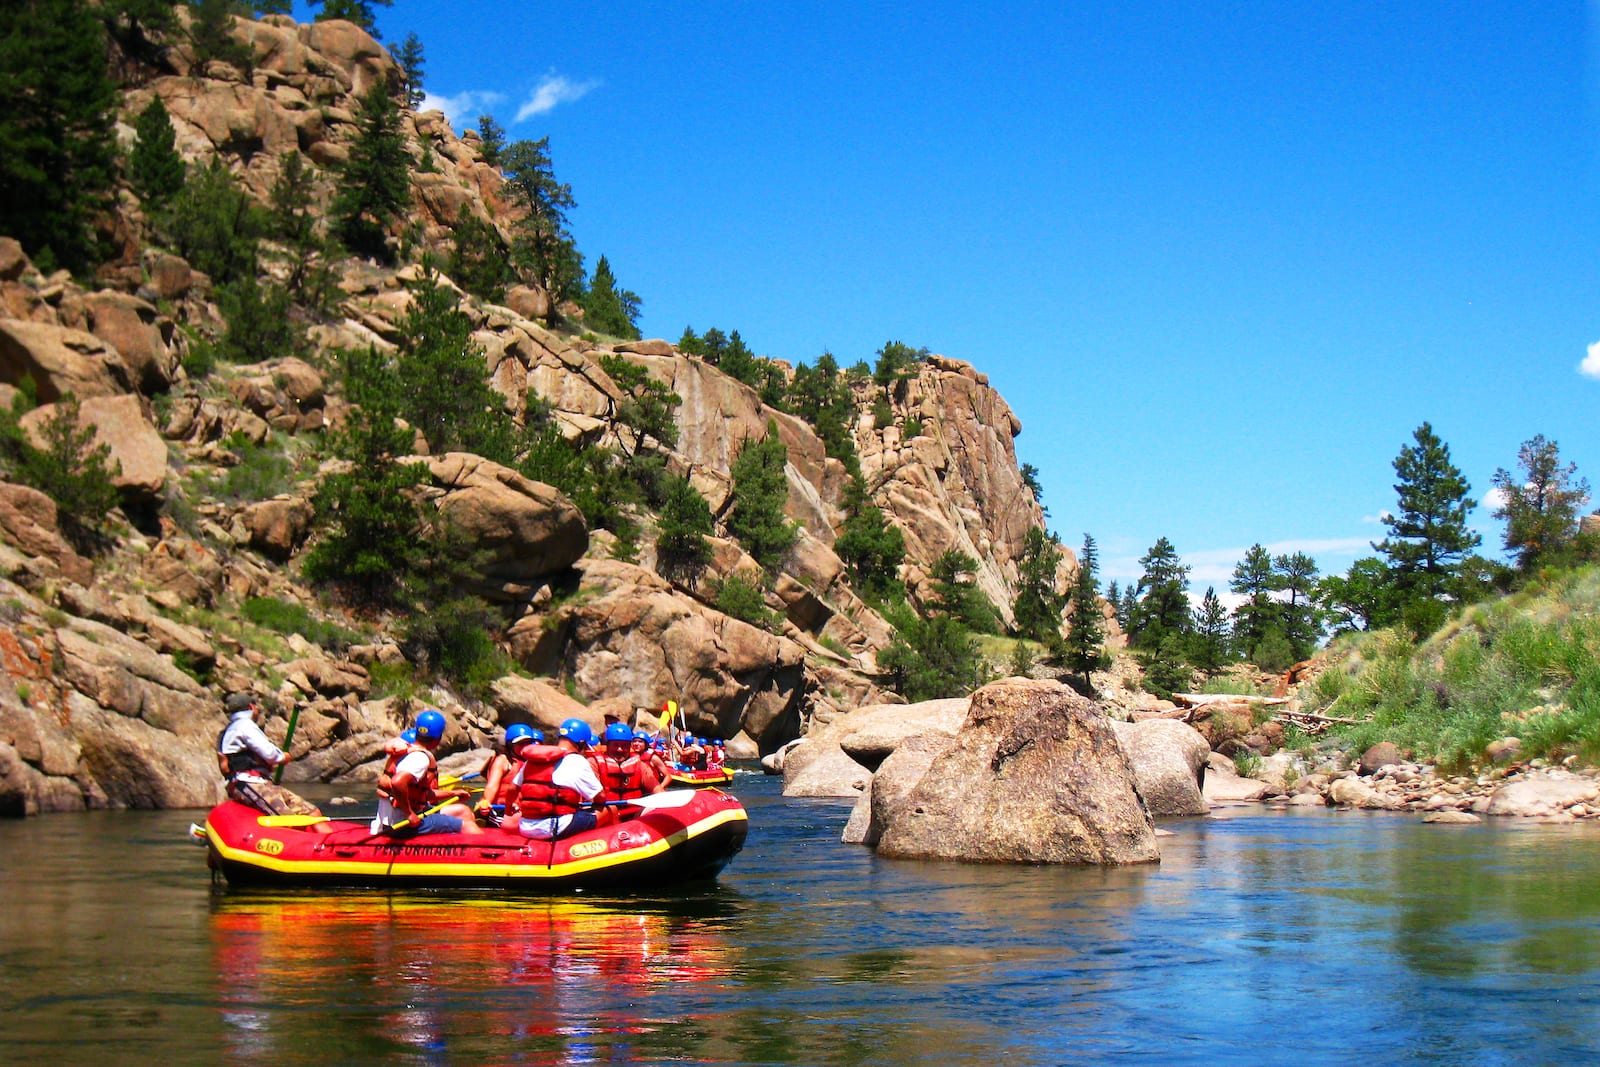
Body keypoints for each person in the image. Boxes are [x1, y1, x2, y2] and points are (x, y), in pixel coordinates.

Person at [216, 691, 332, 832]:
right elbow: (270, 754)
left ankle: (333, 847)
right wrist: (283, 757)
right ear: (252, 707)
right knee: (289, 820)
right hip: (247, 783)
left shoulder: (228, 731)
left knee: (313, 813)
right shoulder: (244, 726)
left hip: (263, 783)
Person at [371, 709, 484, 837]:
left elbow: (420, 793)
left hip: (396, 821)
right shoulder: (420, 758)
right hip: (402, 825)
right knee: (466, 825)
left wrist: (453, 793)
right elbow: (398, 782)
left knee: (463, 811)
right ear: (438, 738)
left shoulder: (407, 752)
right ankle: (487, 854)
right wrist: (409, 814)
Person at [513, 718, 612, 841]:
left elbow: (513, 789)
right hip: (556, 828)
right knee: (610, 810)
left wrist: (507, 812)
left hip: (526, 827)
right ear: (581, 743)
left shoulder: (533, 759)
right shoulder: (577, 761)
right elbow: (600, 797)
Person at [476, 724, 538, 823]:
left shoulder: (531, 762)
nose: (524, 746)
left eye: (528, 743)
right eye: (520, 743)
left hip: (521, 811)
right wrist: (486, 802)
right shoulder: (503, 761)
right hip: (500, 811)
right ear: (510, 745)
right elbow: (492, 786)